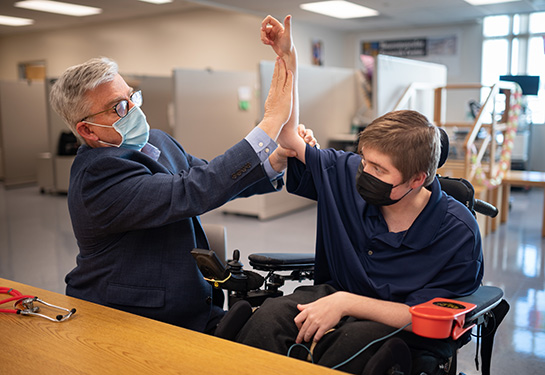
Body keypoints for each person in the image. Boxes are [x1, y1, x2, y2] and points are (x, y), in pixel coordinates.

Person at [235, 16, 483, 374]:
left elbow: (427, 317)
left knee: (348, 349)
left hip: (397, 320)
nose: (364, 173)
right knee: (267, 320)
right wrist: (287, 58)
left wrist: (346, 303)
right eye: (366, 161)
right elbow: (289, 138)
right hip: (333, 295)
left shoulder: (458, 232)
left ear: (418, 180)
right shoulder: (350, 171)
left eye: (379, 170)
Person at [49, 55, 314, 333]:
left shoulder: (158, 140)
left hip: (192, 304)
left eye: (132, 97)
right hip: (128, 318)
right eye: (119, 107)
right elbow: (191, 191)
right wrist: (270, 123)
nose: (135, 110)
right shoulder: (97, 177)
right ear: (87, 130)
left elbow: (210, 177)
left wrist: (273, 162)